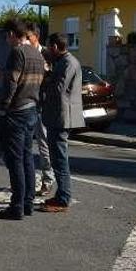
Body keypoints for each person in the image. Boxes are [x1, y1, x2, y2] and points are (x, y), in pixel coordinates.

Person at [0, 18, 46, 220]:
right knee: (27, 159)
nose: (7, 40)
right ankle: (28, 204)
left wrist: (3, 107)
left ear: (13, 34)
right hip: (32, 109)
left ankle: (16, 207)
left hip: (16, 112)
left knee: (15, 161)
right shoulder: (37, 54)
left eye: (7, 36)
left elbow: (12, 84)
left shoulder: (18, 52)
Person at [40, 33, 85, 213]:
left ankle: (63, 198)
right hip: (58, 116)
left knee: (59, 159)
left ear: (56, 47)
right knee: (58, 158)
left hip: (60, 117)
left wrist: (45, 77)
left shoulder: (68, 63)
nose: (47, 50)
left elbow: (58, 89)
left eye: (49, 46)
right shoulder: (64, 62)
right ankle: (61, 195)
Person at [27, 22, 55, 196]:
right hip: (26, 104)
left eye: (28, 37)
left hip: (41, 106)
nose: (25, 41)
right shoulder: (24, 53)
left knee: (43, 144)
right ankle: (28, 181)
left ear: (36, 37)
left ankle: (47, 180)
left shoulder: (46, 54)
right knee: (25, 145)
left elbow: (52, 80)